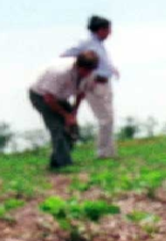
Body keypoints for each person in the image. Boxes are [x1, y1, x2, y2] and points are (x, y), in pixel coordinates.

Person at [29, 50, 99, 170]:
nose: (88, 74)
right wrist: (66, 116)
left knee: (73, 130)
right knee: (58, 128)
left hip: (60, 97)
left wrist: (73, 114)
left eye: (90, 71)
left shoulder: (90, 74)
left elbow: (81, 94)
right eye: (85, 71)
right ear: (78, 66)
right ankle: (65, 164)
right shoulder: (60, 72)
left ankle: (56, 162)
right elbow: (49, 98)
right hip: (41, 96)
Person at [62, 16, 118, 159]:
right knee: (105, 118)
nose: (110, 33)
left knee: (109, 118)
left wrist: (111, 69)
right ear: (101, 29)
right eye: (108, 29)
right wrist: (86, 75)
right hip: (94, 84)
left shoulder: (99, 44)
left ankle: (109, 151)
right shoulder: (85, 43)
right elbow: (65, 56)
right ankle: (103, 153)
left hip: (106, 83)